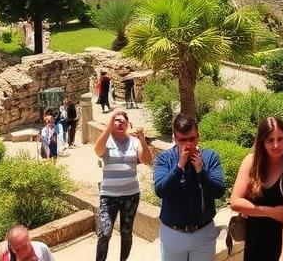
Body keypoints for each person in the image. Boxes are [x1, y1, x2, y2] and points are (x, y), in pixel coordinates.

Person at [230, 117, 283, 261]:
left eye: (280, 139)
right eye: (270, 140)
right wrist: (271, 212)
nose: (276, 145)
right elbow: (235, 202)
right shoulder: (251, 163)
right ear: (262, 142)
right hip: (256, 243)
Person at [154, 114, 225, 261]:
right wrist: (178, 167)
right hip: (173, 234)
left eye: (191, 139)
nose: (188, 144)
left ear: (198, 136)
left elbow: (219, 191)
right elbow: (160, 191)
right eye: (182, 140)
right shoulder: (164, 159)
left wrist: (201, 171)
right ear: (174, 138)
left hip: (203, 234)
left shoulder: (210, 158)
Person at [94, 109, 153, 261]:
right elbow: (98, 151)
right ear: (111, 123)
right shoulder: (107, 141)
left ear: (128, 124)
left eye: (123, 121)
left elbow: (146, 160)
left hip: (130, 195)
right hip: (109, 196)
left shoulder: (134, 142)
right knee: (105, 233)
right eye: (116, 120)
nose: (120, 123)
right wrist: (108, 127)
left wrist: (142, 139)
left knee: (126, 232)